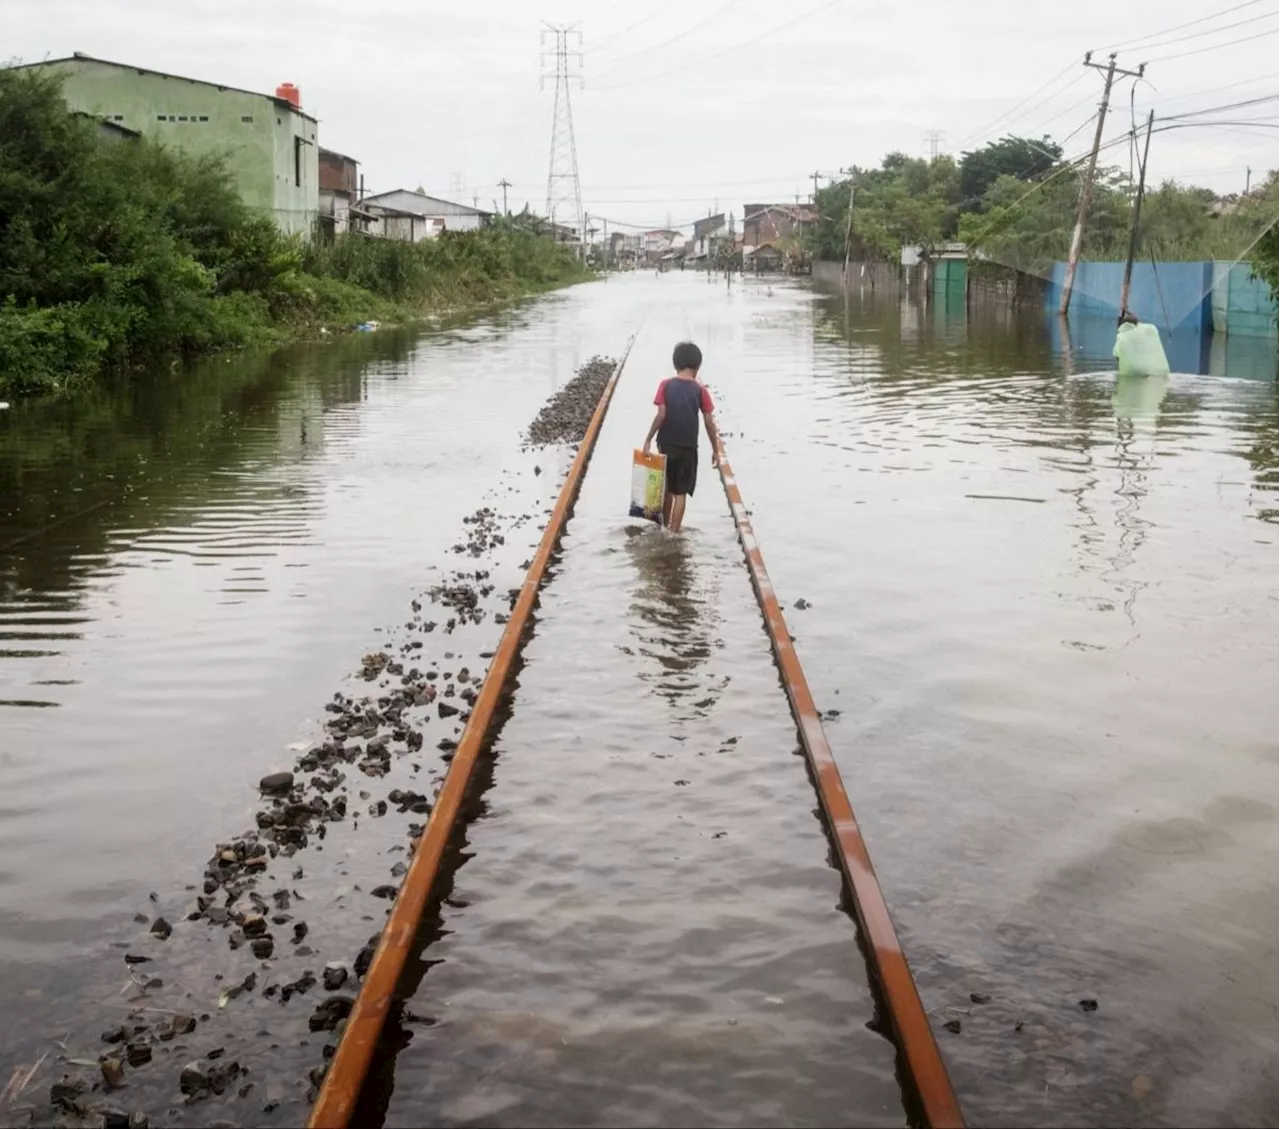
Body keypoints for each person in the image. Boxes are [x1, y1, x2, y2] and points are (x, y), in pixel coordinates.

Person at [642, 341, 723, 533]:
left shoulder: (666, 385)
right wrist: (715, 449)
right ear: (697, 367)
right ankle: (674, 533)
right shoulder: (700, 390)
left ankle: (662, 527)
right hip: (688, 446)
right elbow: (709, 422)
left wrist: (648, 439)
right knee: (681, 492)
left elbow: (661, 415)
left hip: (666, 443)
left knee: (668, 487)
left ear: (675, 364)